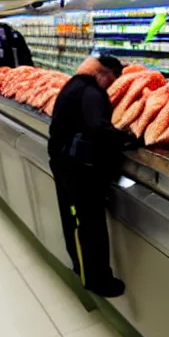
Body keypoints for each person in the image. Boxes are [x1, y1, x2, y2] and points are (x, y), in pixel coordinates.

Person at [48, 55, 135, 297]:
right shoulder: (92, 93)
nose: (111, 85)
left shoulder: (73, 85)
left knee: (73, 219)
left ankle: (80, 266)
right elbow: (99, 128)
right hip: (79, 171)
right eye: (112, 79)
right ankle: (98, 281)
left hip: (63, 162)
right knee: (91, 227)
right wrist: (126, 138)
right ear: (102, 74)